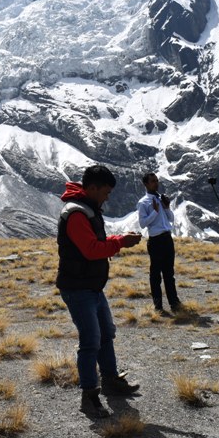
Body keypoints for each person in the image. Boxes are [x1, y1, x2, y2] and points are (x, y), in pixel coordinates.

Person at [56, 165, 142, 418]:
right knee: (91, 340)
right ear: (92, 188)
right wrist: (120, 243)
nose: (107, 197)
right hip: (78, 287)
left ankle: (111, 380)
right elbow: (91, 250)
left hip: (91, 286)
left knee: (106, 333)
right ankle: (89, 395)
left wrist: (117, 241)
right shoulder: (76, 214)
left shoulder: (88, 209)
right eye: (105, 192)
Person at [137, 172, 181, 316]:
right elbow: (143, 223)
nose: (156, 183)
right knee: (156, 274)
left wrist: (166, 207)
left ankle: (174, 303)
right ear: (146, 184)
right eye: (153, 181)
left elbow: (170, 219)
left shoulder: (161, 199)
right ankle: (158, 306)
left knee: (169, 273)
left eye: (157, 180)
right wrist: (155, 212)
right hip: (155, 240)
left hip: (167, 239)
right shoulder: (143, 202)